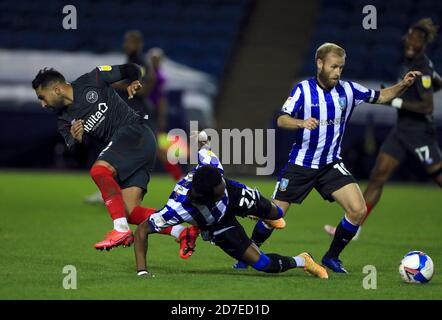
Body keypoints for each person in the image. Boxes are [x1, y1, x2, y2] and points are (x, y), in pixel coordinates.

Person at [233, 42, 420, 274]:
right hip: (301, 164)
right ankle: (248, 253)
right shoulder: (303, 89)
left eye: (341, 67)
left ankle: (331, 257)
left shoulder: (349, 90)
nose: (338, 72)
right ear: (319, 63)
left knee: (358, 209)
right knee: (274, 215)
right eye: (333, 67)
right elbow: (282, 119)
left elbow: (380, 96)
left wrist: (403, 84)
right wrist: (300, 122)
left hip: (331, 164)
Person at [32, 64, 197, 255]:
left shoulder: (92, 79)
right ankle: (183, 230)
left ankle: (120, 230)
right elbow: (79, 159)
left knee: (99, 171)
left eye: (42, 97)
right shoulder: (63, 121)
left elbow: (131, 68)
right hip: (132, 150)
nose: (42, 104)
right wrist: (78, 142)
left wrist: (134, 81)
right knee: (130, 212)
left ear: (57, 89)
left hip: (135, 132)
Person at [133, 140, 329, 279]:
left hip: (235, 195)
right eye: (219, 190)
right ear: (206, 197)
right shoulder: (176, 209)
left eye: (221, 183)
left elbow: (204, 148)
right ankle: (303, 261)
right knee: (262, 265)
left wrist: (202, 140)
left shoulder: (214, 172)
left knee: (278, 213)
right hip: (218, 224)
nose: (222, 187)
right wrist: (142, 271)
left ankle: (258, 214)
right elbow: (142, 230)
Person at [324, 18, 442, 240]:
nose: (410, 41)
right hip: (400, 132)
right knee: (378, 176)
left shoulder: (423, 67)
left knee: (438, 177)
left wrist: (395, 103)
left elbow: (427, 106)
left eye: (416, 40)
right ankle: (355, 227)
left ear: (423, 44)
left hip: (420, 133)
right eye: (409, 36)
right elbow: (437, 82)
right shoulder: (410, 63)